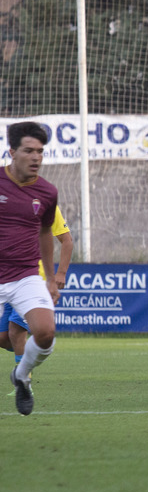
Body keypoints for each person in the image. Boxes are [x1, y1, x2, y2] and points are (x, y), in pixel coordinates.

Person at [2, 121, 60, 416]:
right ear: (11, 152)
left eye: (40, 151)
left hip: (25, 275)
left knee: (46, 332)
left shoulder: (48, 193)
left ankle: (22, 376)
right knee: (5, 339)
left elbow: (46, 233)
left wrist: (51, 279)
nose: (36, 157)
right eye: (29, 151)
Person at [2, 204, 73, 394]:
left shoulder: (44, 202)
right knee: (4, 338)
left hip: (33, 280)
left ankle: (24, 384)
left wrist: (61, 274)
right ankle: (29, 353)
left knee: (16, 331)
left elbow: (66, 240)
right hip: (6, 279)